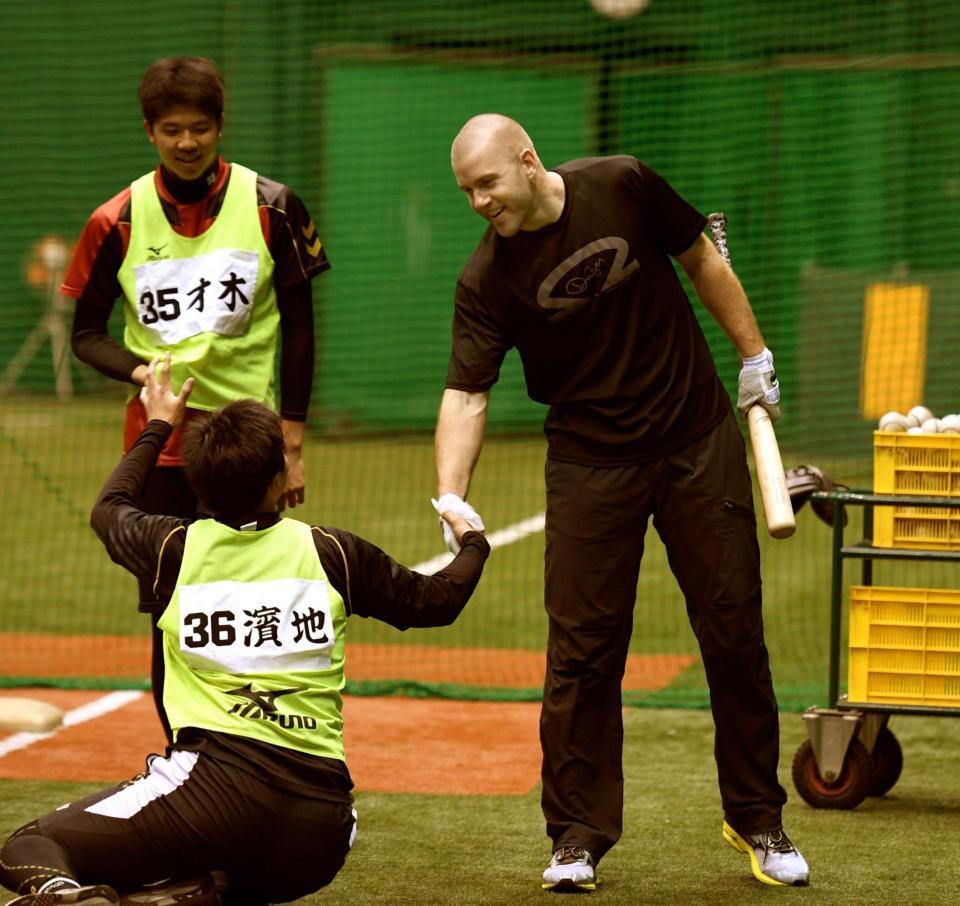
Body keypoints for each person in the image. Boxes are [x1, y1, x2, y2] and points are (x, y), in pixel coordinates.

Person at [434, 113, 809, 891]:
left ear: (528, 163)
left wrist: (754, 355)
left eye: (487, 184)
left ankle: (758, 819)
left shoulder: (622, 183)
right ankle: (576, 835)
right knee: (582, 653)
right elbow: (467, 394)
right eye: (466, 191)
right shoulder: (487, 278)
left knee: (734, 629)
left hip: (694, 437)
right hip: (588, 462)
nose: (477, 202)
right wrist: (452, 493)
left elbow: (702, 259)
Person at [0, 356, 489, 905]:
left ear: (196, 478)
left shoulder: (171, 549)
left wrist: (159, 422)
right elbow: (441, 600)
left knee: (29, 848)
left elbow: (108, 506)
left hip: (210, 800)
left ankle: (69, 896)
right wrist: (473, 541)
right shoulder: (331, 552)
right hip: (319, 834)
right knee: (202, 885)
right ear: (281, 479)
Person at [62, 56, 327, 742]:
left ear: (220, 127)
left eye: (201, 128)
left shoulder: (273, 205)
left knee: (257, 602)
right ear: (149, 131)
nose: (187, 143)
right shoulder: (114, 220)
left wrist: (291, 441)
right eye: (172, 129)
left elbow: (300, 328)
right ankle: (185, 754)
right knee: (174, 608)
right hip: (163, 446)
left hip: (247, 443)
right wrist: (140, 373)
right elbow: (85, 335)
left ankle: (265, 756)